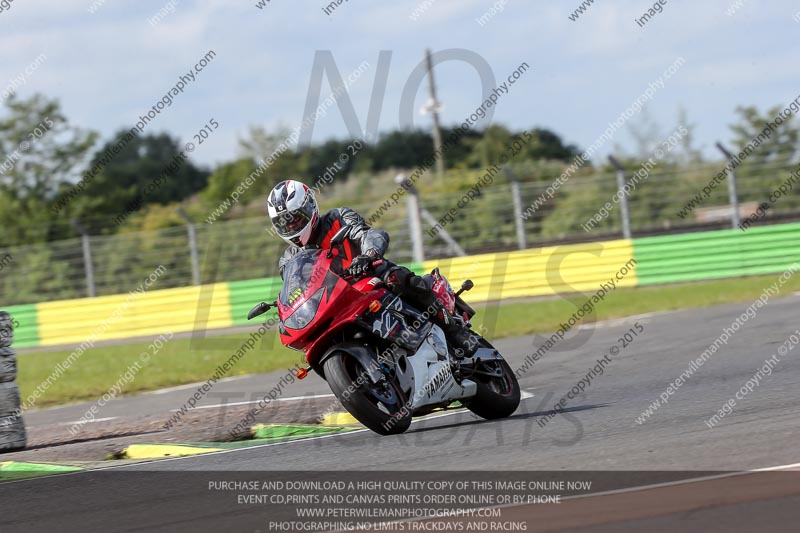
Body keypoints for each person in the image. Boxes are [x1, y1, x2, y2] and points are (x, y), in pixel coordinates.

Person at [267, 179, 478, 357]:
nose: (291, 227)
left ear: (309, 208)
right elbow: (295, 289)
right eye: (284, 224)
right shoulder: (288, 259)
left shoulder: (339, 218)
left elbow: (368, 234)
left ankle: (455, 330)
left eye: (295, 220)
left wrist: (368, 255)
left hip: (368, 274)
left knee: (396, 277)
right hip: (335, 300)